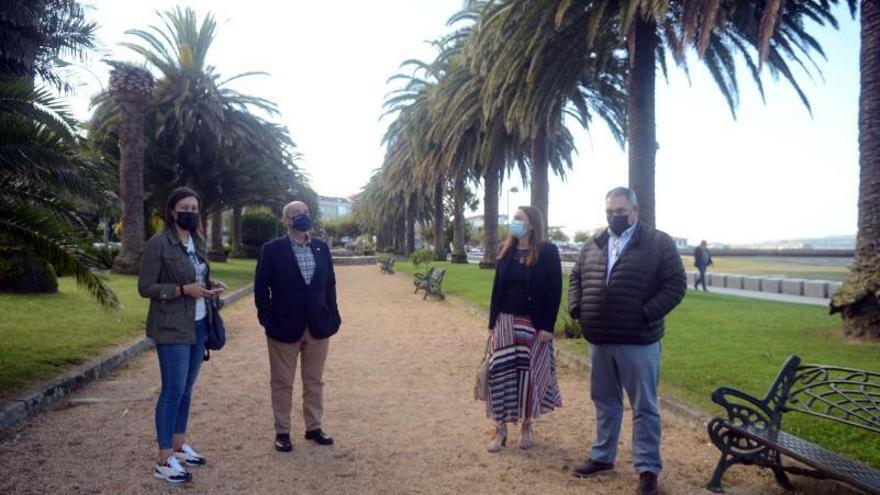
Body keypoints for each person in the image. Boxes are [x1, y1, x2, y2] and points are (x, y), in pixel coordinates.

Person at [568, 187, 686, 495]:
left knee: (644, 406)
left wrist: (647, 313)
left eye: (619, 211)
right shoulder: (595, 242)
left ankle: (647, 469)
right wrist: (577, 307)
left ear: (635, 210)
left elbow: (676, 284)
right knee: (605, 402)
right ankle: (602, 456)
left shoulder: (658, 242)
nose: (614, 217)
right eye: (609, 211)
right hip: (600, 338)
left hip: (638, 340)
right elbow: (576, 277)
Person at [138, 187, 227, 483]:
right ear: (173, 211)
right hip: (171, 328)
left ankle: (178, 445)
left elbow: (197, 276)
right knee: (172, 390)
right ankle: (164, 459)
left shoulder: (197, 241)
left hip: (199, 324)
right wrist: (179, 290)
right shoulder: (159, 244)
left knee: (186, 389)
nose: (190, 211)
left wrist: (209, 283)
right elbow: (145, 287)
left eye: (194, 207)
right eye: (184, 207)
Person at [254, 201, 341, 453]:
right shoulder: (272, 250)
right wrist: (267, 319)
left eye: (306, 212)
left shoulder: (321, 248)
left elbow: (329, 286)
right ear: (286, 220)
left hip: (318, 326)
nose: (304, 216)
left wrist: (333, 316)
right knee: (282, 383)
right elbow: (261, 289)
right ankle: (282, 432)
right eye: (297, 214)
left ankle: (314, 427)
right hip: (283, 328)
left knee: (314, 381)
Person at [485, 206, 562, 453]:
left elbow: (555, 290)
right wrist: (492, 323)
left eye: (519, 219)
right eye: (514, 219)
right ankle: (500, 429)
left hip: (532, 324)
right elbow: (498, 288)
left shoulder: (548, 252)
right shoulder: (505, 250)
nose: (514, 222)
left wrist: (547, 326)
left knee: (528, 377)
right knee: (500, 375)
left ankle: (527, 425)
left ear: (532, 224)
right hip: (505, 322)